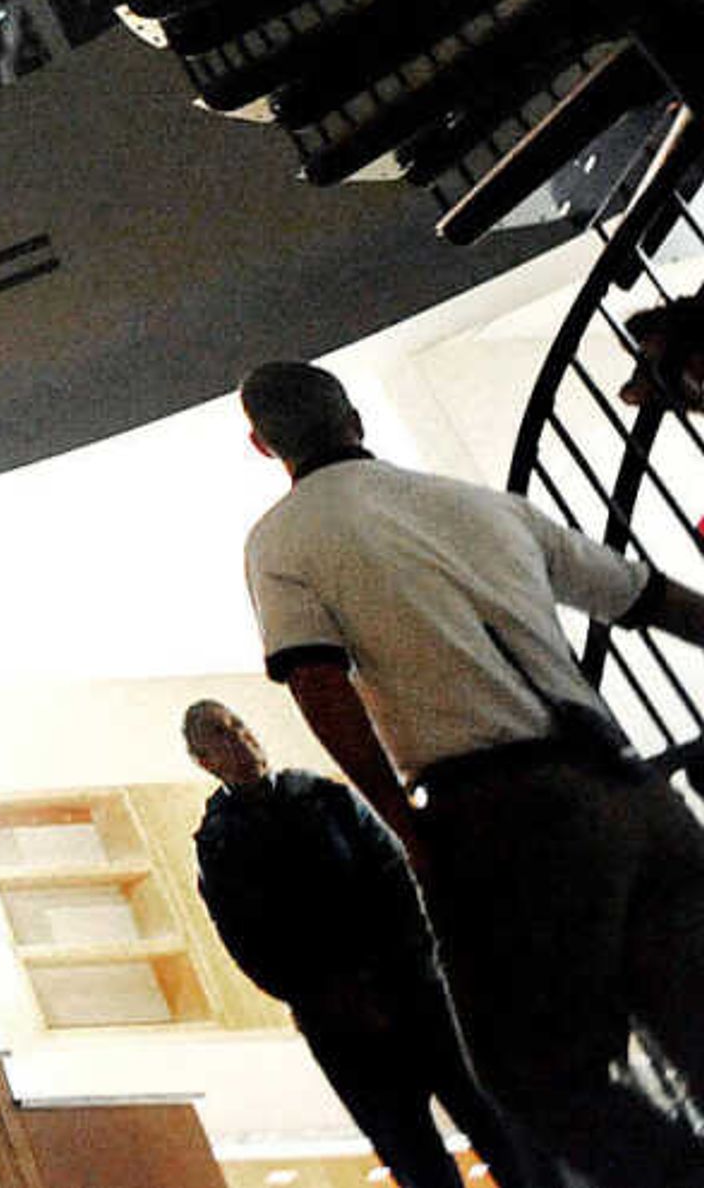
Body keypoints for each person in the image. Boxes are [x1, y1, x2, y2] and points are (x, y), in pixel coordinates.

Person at [239, 356, 704, 1182]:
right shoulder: (480, 505)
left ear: (260, 444)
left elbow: (318, 682)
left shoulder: (284, 540)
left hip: (503, 816)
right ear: (356, 417)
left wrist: (406, 827)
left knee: (533, 1076)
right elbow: (648, 597)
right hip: (633, 793)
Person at [181, 697, 530, 1188]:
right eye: (220, 734)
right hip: (340, 1024)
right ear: (205, 762)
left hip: (414, 993)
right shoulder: (218, 845)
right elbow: (248, 944)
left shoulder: (325, 798)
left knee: (493, 1124)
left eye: (239, 725)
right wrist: (328, 995)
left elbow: (396, 878)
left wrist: (403, 969)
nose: (239, 738)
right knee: (413, 1155)